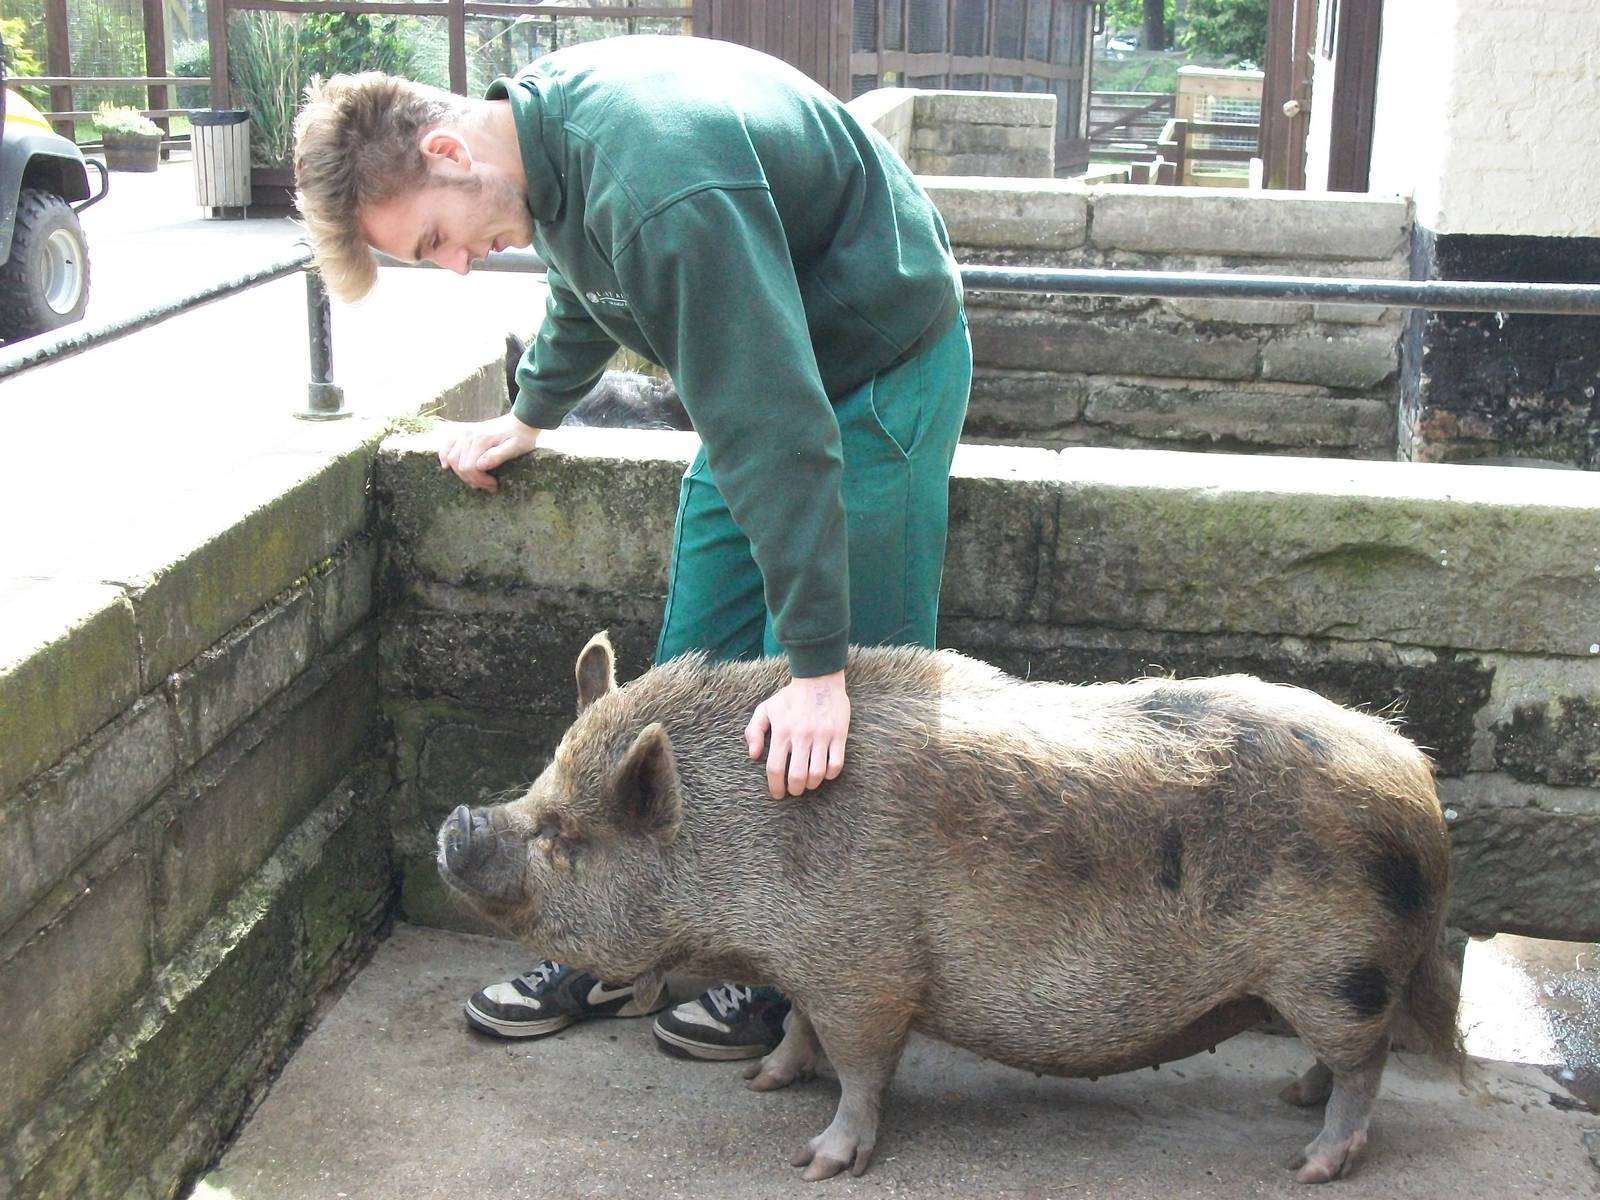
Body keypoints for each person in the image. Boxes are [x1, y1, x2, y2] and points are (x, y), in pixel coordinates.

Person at [292, 33, 970, 1062]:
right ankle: (621, 942)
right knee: (674, 695)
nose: (463, 264)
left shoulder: (659, 186)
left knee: (856, 726)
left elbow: (782, 436)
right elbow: (586, 278)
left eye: (434, 240)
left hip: (875, 361)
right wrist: (532, 413)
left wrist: (823, 668)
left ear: (444, 149)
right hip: (760, 373)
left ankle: (814, 983)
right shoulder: (538, 150)